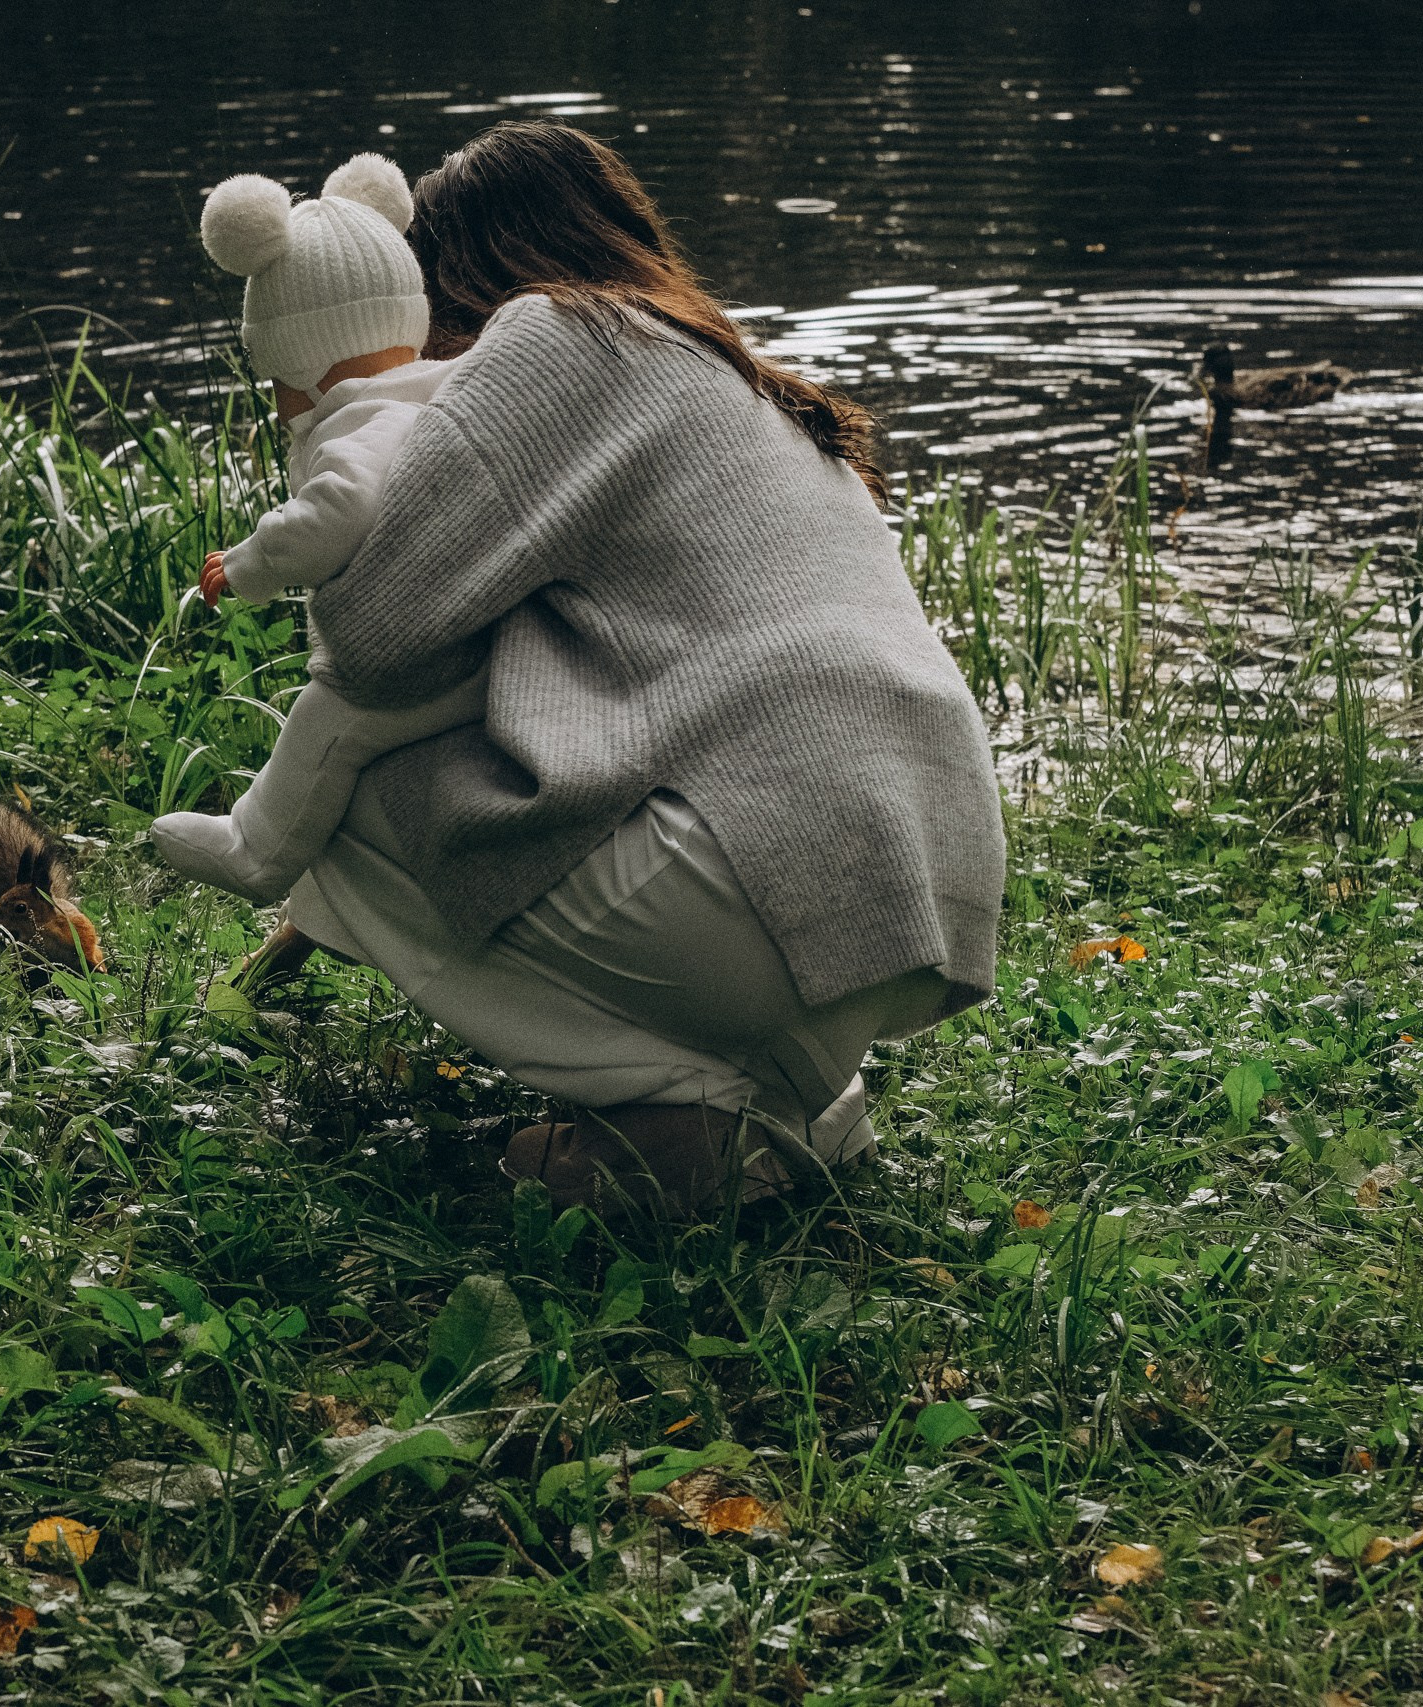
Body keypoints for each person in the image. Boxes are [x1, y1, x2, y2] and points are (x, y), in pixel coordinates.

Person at [203, 123, 1006, 1221]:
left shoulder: (551, 336)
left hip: (760, 882)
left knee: (366, 759)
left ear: (460, 280)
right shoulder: (719, 367)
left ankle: (682, 1119)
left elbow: (377, 643)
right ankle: (799, 1101)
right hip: (920, 882)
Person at [152, 154, 488, 903]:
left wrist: (248, 562)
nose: (275, 404)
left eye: (271, 380)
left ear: (301, 364)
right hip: (477, 642)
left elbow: (339, 511)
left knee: (323, 724)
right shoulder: (439, 396)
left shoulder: (360, 430)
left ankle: (256, 849)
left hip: (411, 661)